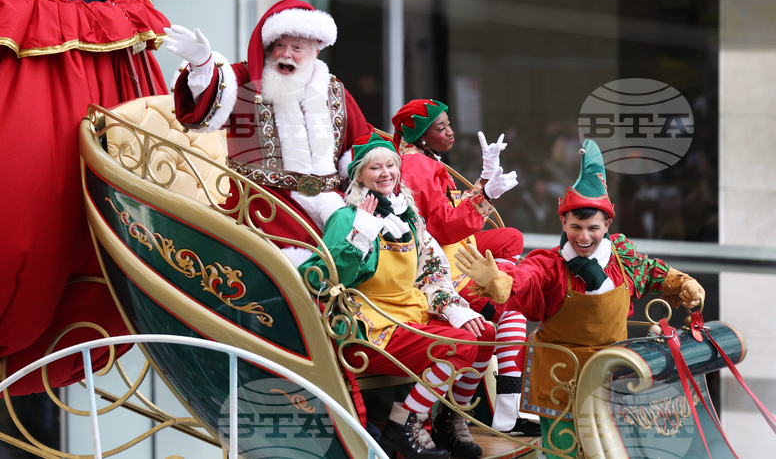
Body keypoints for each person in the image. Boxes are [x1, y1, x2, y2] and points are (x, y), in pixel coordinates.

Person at [454, 139, 706, 458]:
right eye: (575, 227)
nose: (584, 237)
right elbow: (525, 279)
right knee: (564, 453)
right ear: (563, 223)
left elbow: (655, 273)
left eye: (592, 228)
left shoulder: (623, 259)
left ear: (607, 225)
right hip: (560, 383)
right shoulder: (550, 264)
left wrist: (684, 284)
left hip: (611, 379)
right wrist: (501, 284)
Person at [297, 133, 496, 459]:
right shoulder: (346, 217)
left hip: (410, 313)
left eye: (391, 165)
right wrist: (359, 236)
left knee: (484, 333)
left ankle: (450, 417)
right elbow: (321, 278)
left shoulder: (409, 217)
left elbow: (431, 273)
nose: (386, 172)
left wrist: (455, 310)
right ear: (358, 174)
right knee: (457, 346)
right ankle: (404, 425)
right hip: (371, 325)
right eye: (375, 167)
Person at [166, 0, 373, 246]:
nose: (287, 54)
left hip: (331, 203)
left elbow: (363, 141)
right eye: (279, 46)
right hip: (263, 206)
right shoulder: (247, 80)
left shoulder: (334, 91)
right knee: (302, 263)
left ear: (316, 51)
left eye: (297, 47)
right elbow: (211, 94)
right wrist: (202, 65)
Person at [391, 99, 538, 435]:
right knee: (509, 307)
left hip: (439, 252)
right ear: (421, 136)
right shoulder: (418, 166)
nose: (451, 132)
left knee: (510, 241)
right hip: (430, 265)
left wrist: (485, 183)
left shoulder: (423, 160)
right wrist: (485, 193)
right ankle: (488, 412)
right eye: (441, 127)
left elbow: (447, 212)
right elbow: (442, 226)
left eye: (449, 124)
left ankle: (468, 414)